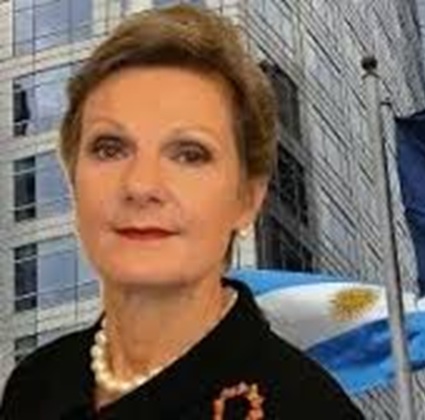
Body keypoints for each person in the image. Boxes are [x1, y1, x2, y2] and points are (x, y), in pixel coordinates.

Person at [0, 5, 363, 419]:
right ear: (73, 176)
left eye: (190, 154)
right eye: (110, 149)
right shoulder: (37, 384)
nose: (141, 185)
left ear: (248, 198)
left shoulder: (307, 408)